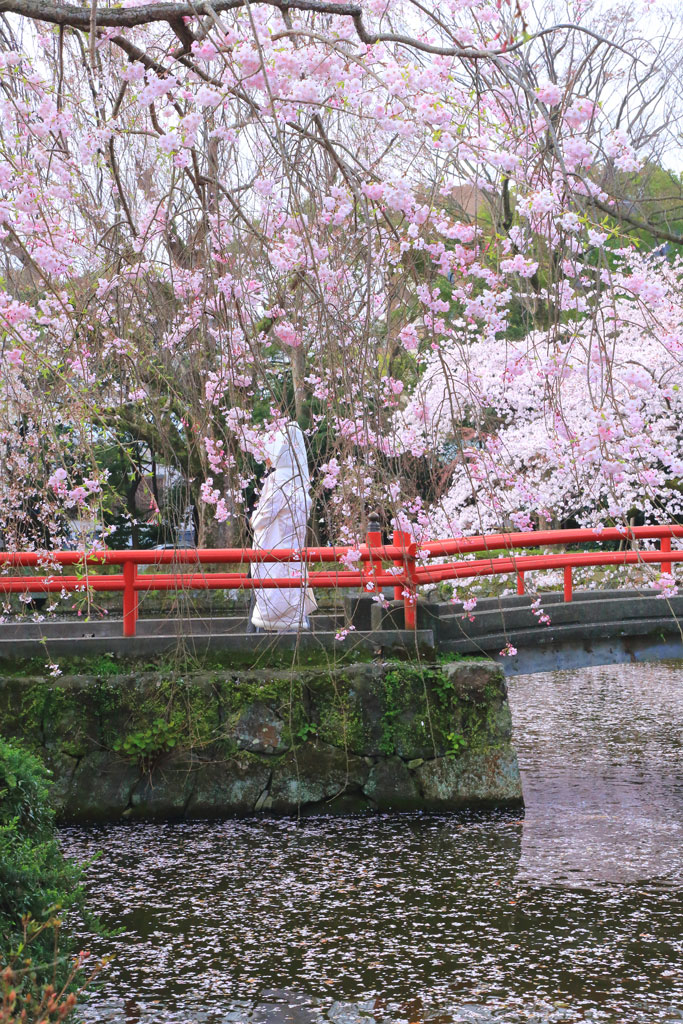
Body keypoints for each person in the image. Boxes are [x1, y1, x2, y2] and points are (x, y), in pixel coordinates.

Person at [249, 423, 317, 632]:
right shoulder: (301, 481)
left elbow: (261, 519)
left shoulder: (277, 480)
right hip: (294, 551)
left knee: (270, 599)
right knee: (292, 595)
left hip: (272, 550)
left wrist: (253, 516)